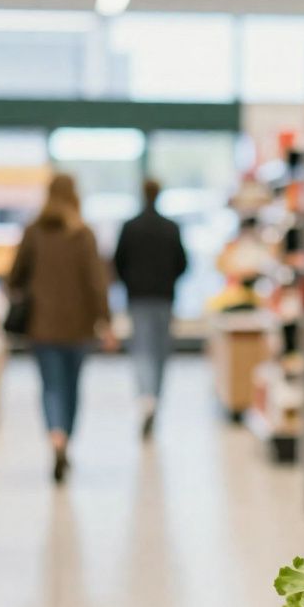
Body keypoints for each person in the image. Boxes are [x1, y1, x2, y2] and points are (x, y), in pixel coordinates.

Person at [8, 173, 114, 482]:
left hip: (42, 325)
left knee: (50, 386)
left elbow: (14, 276)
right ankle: (66, 437)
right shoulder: (84, 235)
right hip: (79, 327)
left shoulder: (34, 232)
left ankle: (55, 437)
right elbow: (98, 284)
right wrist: (105, 322)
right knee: (72, 386)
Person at [114, 179, 189, 437]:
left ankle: (145, 398)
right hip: (164, 296)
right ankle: (154, 397)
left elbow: (118, 262)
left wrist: (131, 282)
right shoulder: (170, 228)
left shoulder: (129, 227)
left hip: (138, 296)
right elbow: (182, 263)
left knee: (142, 349)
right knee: (160, 351)